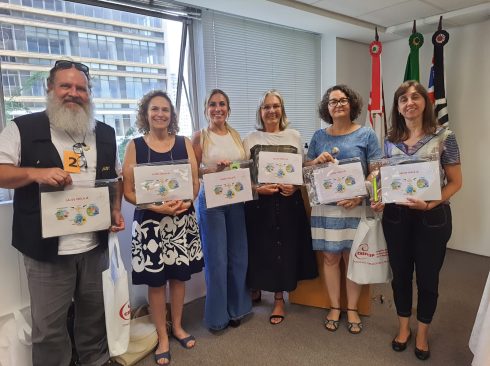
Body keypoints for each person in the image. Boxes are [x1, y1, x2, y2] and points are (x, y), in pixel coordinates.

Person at [0, 60, 125, 366]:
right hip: (45, 251)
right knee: (49, 328)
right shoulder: (21, 128)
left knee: (94, 317)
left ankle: (95, 360)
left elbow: (116, 178)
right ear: (50, 89)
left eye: (81, 88)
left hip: (94, 245)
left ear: (89, 93)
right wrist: (34, 174)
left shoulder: (105, 133)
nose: (73, 93)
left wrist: (116, 209)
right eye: (65, 86)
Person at [372, 81, 462, 360]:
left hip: (431, 218)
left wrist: (430, 204)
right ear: (397, 107)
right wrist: (378, 197)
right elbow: (381, 178)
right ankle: (403, 328)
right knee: (400, 276)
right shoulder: (389, 140)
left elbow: (456, 182)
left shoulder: (444, 136)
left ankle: (422, 332)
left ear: (425, 102)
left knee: (427, 278)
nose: (409, 102)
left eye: (415, 97)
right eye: (402, 99)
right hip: (396, 217)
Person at [122, 90, 203, 365]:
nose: (160, 114)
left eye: (165, 110)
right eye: (154, 109)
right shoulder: (135, 146)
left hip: (181, 220)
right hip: (150, 224)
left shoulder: (183, 143)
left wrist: (184, 202)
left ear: (171, 115)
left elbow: (194, 183)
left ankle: (177, 326)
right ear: (146, 113)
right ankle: (162, 336)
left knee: (179, 278)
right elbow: (129, 192)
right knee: (156, 283)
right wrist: (156, 206)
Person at [306, 84, 382, 334]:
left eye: (342, 100)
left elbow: (376, 171)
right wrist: (316, 161)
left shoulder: (367, 135)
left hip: (355, 206)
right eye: (332, 101)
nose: (338, 104)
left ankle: (351, 308)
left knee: (351, 258)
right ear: (326, 108)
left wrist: (361, 194)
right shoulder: (319, 137)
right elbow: (308, 170)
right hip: (326, 209)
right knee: (330, 257)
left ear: (352, 104)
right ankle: (335, 307)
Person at [243, 89, 318, 324]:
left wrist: (295, 188)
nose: (271, 111)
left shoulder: (294, 136)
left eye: (276, 106)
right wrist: (257, 188)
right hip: (260, 204)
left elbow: (300, 169)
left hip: (287, 202)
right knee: (260, 248)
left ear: (282, 110)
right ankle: (256, 286)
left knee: (282, 251)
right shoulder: (250, 139)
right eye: (266, 107)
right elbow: (243, 174)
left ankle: (278, 299)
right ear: (260, 112)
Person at [191, 89, 252, 331]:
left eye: (223, 104)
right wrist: (213, 170)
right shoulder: (199, 137)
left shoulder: (237, 135)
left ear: (228, 108)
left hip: (237, 200)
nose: (218, 108)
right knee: (216, 260)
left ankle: (237, 309)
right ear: (206, 109)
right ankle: (217, 317)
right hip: (212, 202)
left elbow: (245, 166)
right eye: (213, 104)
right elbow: (193, 172)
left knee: (238, 257)